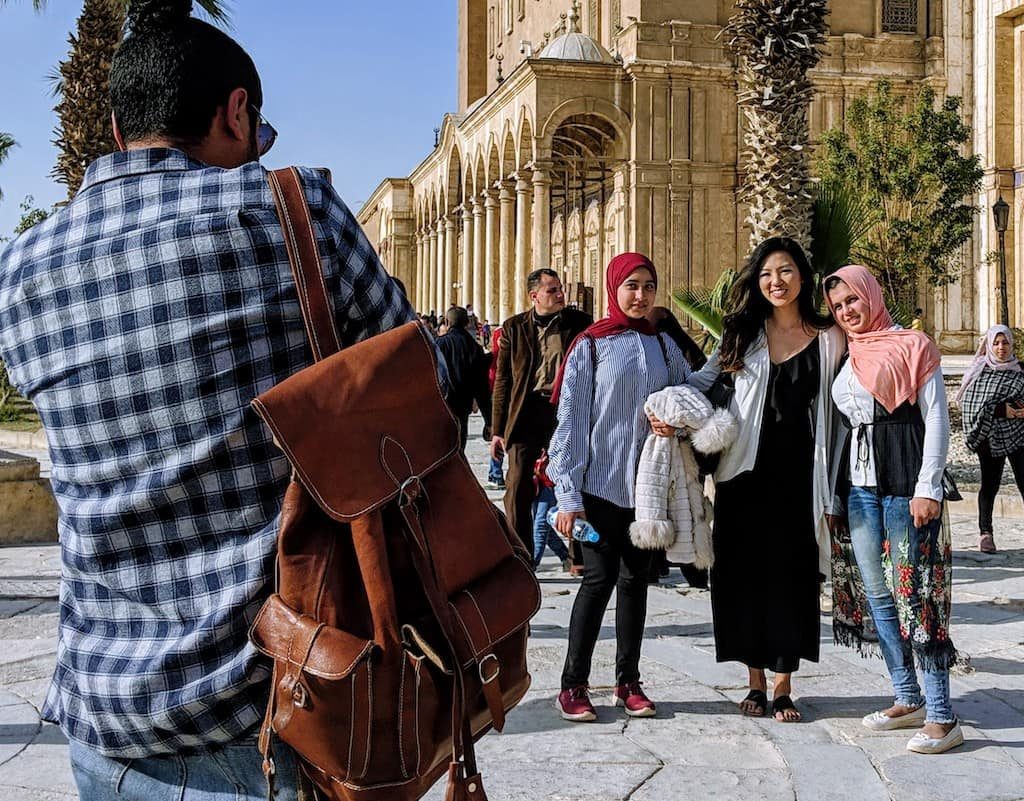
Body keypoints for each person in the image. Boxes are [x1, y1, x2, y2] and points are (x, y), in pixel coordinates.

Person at [0, 2, 416, 798]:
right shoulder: (294, 214)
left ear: (117, 127)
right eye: (258, 134)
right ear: (236, 111)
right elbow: (411, 369)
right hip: (269, 714)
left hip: (104, 725)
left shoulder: (19, 273)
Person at [687, 237, 844, 722]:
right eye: (767, 274)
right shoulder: (742, 334)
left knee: (792, 576)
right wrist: (665, 406)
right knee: (742, 575)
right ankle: (754, 680)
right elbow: (702, 381)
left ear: (803, 276)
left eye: (786, 271)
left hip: (800, 476)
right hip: (742, 474)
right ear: (757, 282)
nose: (776, 282)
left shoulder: (828, 336)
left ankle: (783, 684)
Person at [825, 264, 962, 755]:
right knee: (879, 595)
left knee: (916, 594)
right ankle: (907, 695)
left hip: (905, 485)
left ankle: (943, 714)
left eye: (853, 301)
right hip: (859, 489)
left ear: (871, 296)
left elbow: (937, 417)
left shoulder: (911, 345)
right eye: (839, 307)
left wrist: (928, 486)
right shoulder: (847, 352)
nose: (847, 312)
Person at [549, 252, 691, 722]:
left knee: (636, 584)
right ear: (614, 288)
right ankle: (573, 684)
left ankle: (628, 681)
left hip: (646, 489)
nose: (640, 295)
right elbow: (570, 420)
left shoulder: (664, 346)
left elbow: (688, 394)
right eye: (631, 285)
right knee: (597, 580)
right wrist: (568, 496)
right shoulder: (591, 346)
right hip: (598, 487)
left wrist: (680, 423)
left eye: (648, 286)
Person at [491, 268, 591, 552]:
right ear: (534, 296)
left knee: (571, 479)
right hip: (527, 410)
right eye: (552, 290)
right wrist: (497, 430)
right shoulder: (514, 328)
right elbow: (503, 380)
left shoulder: (579, 323)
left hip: (565, 409)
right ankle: (520, 552)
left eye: (560, 289)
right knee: (518, 484)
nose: (560, 294)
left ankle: (580, 552)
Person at [648, 305, 709, 587]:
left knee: (660, 501)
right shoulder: (686, 349)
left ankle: (660, 565)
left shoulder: (659, 349)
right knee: (687, 506)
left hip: (672, 440)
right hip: (686, 444)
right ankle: (695, 571)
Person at [956, 325, 1024, 554]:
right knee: (990, 485)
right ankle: (986, 533)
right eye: (996, 343)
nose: (1001, 348)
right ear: (988, 345)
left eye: (1005, 343)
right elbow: (970, 406)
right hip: (990, 438)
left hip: (1019, 435)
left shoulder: (1020, 370)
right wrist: (1001, 410)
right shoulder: (980, 371)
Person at [436, 306, 492, 451]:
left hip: (441, 406)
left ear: (447, 323)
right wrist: (489, 420)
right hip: (462, 408)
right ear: (468, 323)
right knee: (459, 452)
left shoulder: (439, 344)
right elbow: (482, 387)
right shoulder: (475, 348)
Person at [486, 326, 506, 489]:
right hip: (498, 396)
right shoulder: (496, 357)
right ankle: (495, 472)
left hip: (500, 395)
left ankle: (496, 473)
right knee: (498, 435)